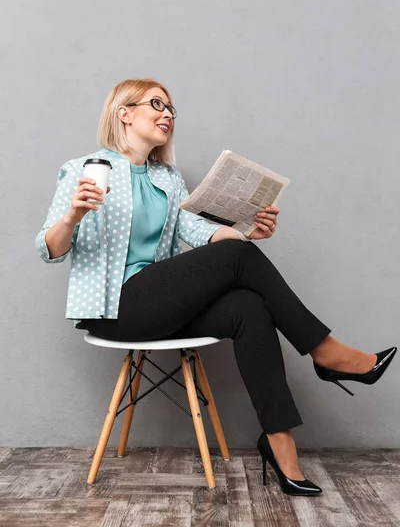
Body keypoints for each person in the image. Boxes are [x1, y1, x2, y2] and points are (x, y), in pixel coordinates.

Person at [35, 78, 397, 497]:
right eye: (157, 104)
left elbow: (197, 229)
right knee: (237, 264)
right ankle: (326, 351)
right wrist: (72, 217)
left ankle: (280, 443)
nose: (168, 113)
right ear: (125, 112)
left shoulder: (168, 178)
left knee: (248, 306)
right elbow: (48, 249)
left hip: (162, 304)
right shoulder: (84, 169)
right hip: (117, 307)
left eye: (172, 108)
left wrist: (247, 234)